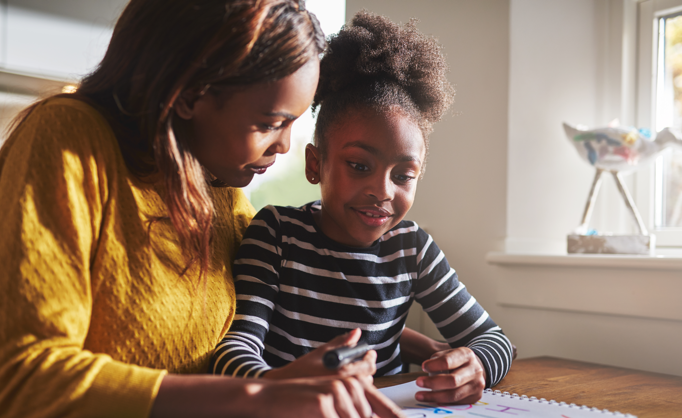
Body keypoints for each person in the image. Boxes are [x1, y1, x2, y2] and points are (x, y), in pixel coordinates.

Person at [0, 1, 404, 417]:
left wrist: (441, 351)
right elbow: (23, 376)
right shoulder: (68, 139)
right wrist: (257, 397)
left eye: (291, 124)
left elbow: (301, 287)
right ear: (189, 93)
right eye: (269, 123)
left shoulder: (219, 187)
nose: (284, 146)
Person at [210, 11, 514, 405]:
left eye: (404, 175)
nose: (382, 191)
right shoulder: (276, 233)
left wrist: (477, 365)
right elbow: (233, 351)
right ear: (316, 164)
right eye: (359, 166)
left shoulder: (413, 249)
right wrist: (279, 388)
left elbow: (495, 340)